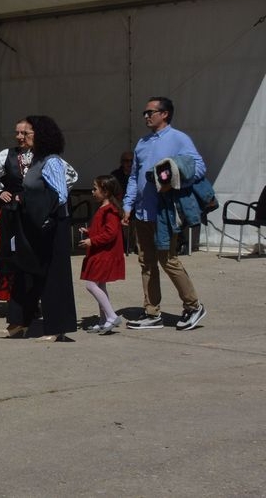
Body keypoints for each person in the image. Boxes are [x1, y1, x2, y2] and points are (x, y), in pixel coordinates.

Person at [123, 97, 208, 331]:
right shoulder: (142, 142)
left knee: (168, 260)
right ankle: (152, 313)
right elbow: (134, 176)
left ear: (165, 114)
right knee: (146, 263)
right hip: (142, 213)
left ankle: (193, 306)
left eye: (151, 112)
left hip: (164, 213)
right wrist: (128, 205)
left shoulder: (179, 139)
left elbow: (199, 168)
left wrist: (175, 181)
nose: (146, 116)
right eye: (145, 112)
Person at [0, 119, 80, 303]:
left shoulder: (45, 157)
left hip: (37, 214)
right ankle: (18, 301)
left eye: (24, 133)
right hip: (15, 211)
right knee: (14, 255)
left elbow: (71, 175)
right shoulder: (7, 155)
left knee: (38, 255)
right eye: (17, 133)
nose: (20, 137)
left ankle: (37, 299)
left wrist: (46, 198)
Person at [2, 115, 77, 342]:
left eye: (27, 133)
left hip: (52, 225)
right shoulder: (35, 160)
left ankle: (57, 328)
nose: (21, 137)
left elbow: (60, 196)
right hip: (34, 223)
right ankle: (19, 322)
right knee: (26, 270)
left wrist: (35, 205)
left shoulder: (51, 161)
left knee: (54, 276)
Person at [78, 175, 125, 335]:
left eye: (95, 189)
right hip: (101, 252)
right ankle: (103, 319)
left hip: (104, 254)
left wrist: (92, 241)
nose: (92, 192)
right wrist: (89, 232)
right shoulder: (104, 208)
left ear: (105, 192)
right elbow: (102, 230)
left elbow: (110, 234)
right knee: (100, 285)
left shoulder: (110, 210)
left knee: (91, 285)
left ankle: (112, 316)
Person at [111, 151, 136, 254]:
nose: (129, 163)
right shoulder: (115, 175)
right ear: (121, 162)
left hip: (136, 205)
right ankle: (123, 244)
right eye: (126, 161)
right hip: (120, 204)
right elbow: (111, 193)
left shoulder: (138, 173)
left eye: (131, 161)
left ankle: (134, 245)